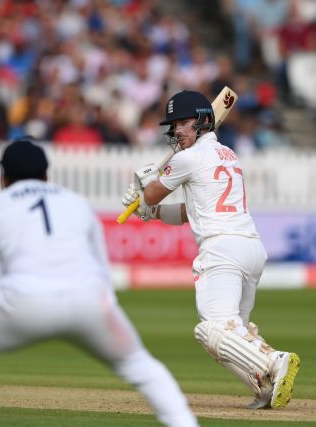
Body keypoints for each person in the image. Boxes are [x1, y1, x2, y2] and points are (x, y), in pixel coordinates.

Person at [0, 138, 232, 427]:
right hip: (90, 301)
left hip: (24, 301)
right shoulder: (75, 202)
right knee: (140, 364)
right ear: (47, 174)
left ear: (3, 178)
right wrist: (106, 316)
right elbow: (101, 270)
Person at [121, 90, 301, 410]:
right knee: (235, 333)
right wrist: (153, 212)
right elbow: (192, 211)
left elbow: (151, 194)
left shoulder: (187, 158)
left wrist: (142, 192)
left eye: (184, 124)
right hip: (250, 247)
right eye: (174, 125)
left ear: (204, 121)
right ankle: (264, 386)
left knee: (212, 330)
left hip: (221, 250)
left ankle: (275, 361)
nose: (177, 131)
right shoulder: (227, 154)